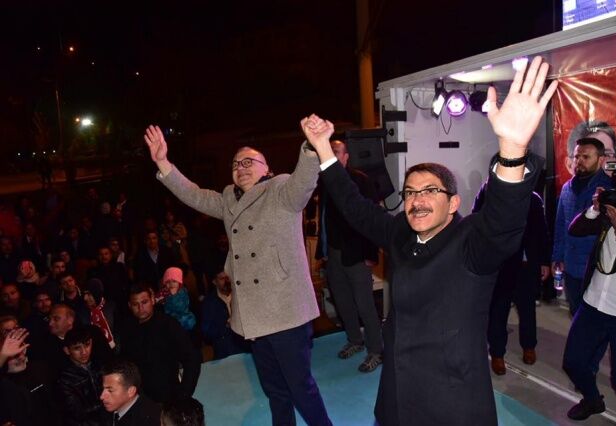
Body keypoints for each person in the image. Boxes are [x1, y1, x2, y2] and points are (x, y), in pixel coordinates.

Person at [301, 57, 557, 425]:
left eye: (430, 191)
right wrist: (324, 150)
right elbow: (355, 207)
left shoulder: (472, 242)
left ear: (453, 203)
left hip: (451, 398)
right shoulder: (400, 233)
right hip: (398, 392)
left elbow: (503, 222)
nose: (417, 200)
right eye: (409, 192)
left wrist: (513, 151)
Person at [144, 121, 332, 425]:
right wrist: (164, 162)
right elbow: (194, 195)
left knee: (301, 389)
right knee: (275, 390)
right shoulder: (229, 200)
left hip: (286, 311)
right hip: (255, 315)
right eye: (235, 164)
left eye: (248, 162)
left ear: (266, 168)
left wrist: (312, 147)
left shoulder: (280, 188)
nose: (240, 167)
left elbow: (304, 182)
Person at [562, 166, 616, 422]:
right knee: (573, 363)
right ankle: (593, 400)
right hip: (593, 304)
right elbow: (575, 229)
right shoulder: (610, 215)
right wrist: (595, 208)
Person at [317, 139, 382, 372]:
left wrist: (371, 254)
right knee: (343, 302)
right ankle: (355, 340)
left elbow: (373, 219)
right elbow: (324, 218)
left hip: (357, 254)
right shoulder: (325, 181)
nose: (331, 154)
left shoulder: (361, 180)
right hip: (333, 254)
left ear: (346, 157)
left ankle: (376, 351)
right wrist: (323, 251)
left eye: (336, 151)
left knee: (365, 305)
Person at [473, 188, 551, 375]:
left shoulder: (533, 198)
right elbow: (476, 224)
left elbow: (542, 232)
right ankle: (497, 353)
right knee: (498, 310)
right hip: (500, 264)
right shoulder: (488, 192)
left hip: (526, 265)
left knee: (527, 309)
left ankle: (529, 346)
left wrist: (544, 261)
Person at [552, 137, 613, 315]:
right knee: (575, 312)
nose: (579, 161)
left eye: (586, 157)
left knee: (595, 318)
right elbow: (560, 227)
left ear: (601, 159)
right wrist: (558, 257)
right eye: (577, 156)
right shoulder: (567, 188)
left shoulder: (609, 190)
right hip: (571, 265)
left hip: (596, 267)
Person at [120, 285, 201, 403]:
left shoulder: (168, 325)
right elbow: (125, 365)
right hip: (140, 399)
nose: (140, 308)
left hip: (169, 396)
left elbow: (191, 358)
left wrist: (184, 394)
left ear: (153, 300)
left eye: (144, 302)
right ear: (129, 306)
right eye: (135, 304)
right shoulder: (127, 330)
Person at [57, 326, 109, 425]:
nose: (84, 352)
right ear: (67, 350)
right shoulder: (64, 379)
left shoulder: (100, 365)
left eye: (87, 345)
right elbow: (77, 412)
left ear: (91, 342)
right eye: (77, 348)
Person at [200, 269, 249, 359]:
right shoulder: (209, 303)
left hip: (246, 348)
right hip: (225, 352)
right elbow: (206, 333)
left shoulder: (241, 295)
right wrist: (226, 326)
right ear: (214, 282)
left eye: (228, 278)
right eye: (222, 278)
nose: (226, 281)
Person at [100, 359, 161, 426]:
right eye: (103, 389)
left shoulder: (149, 420)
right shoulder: (108, 409)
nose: (101, 397)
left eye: (110, 391)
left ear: (131, 391)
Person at [158, 267, 196, 332]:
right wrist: (160, 300)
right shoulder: (165, 292)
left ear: (179, 282)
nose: (171, 284)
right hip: (171, 318)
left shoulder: (182, 292)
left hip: (184, 318)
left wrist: (173, 296)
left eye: (174, 281)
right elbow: (160, 301)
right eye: (168, 282)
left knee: (186, 322)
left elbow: (181, 308)